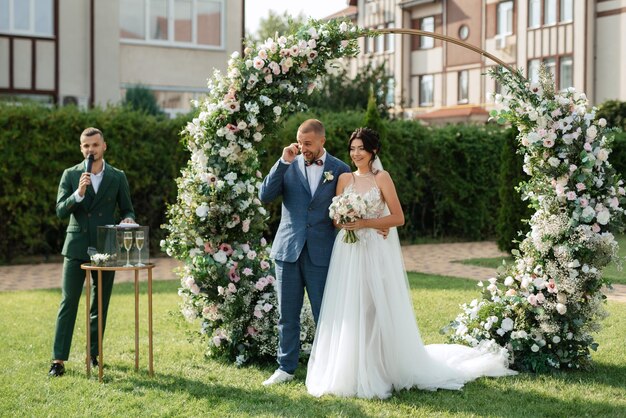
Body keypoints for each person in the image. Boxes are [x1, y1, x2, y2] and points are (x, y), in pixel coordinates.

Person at [305, 128, 517, 399]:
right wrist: (347, 220)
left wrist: (367, 223)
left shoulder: (382, 178)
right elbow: (336, 220)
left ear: (373, 152)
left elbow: (398, 217)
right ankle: (350, 369)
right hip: (348, 253)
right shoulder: (344, 178)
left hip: (374, 252)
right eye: (353, 149)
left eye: (361, 149)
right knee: (350, 308)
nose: (356, 154)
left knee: (374, 308)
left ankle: (379, 368)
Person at [258, 119, 351, 385]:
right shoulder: (287, 165)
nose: (303, 147)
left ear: (323, 141)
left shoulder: (340, 169)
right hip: (288, 251)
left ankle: (328, 366)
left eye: (308, 143)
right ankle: (285, 368)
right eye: (300, 141)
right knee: (287, 315)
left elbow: (348, 209)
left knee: (325, 313)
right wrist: (282, 161)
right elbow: (265, 195)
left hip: (321, 252)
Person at [48, 127, 135, 377]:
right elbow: (61, 211)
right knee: (68, 302)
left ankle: (93, 355)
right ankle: (58, 360)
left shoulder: (117, 176)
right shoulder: (71, 174)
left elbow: (128, 209)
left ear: (104, 146)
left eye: (95, 145)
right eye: (86, 146)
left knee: (100, 303)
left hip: (106, 247)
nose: (91, 150)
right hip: (76, 247)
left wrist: (128, 220)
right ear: (81, 148)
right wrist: (79, 193)